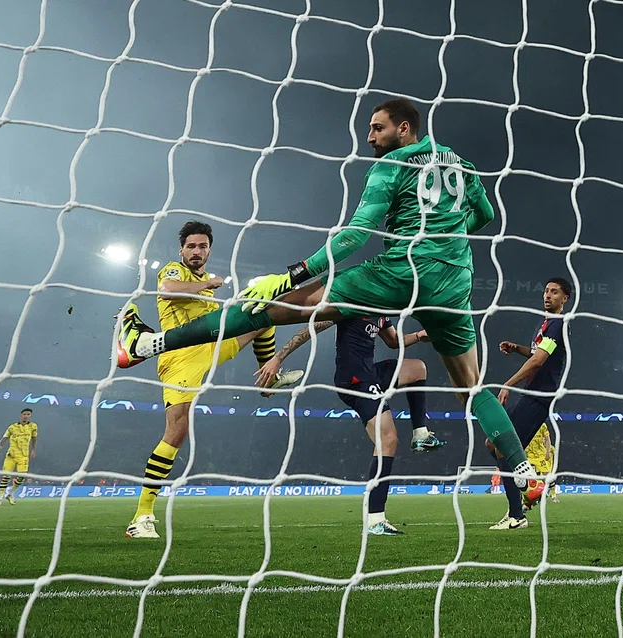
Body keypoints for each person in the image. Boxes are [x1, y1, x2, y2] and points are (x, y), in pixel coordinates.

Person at [116, 97, 543, 497]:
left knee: (285, 303)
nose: (370, 137)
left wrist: (291, 274)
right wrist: (444, 233)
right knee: (471, 387)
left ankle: (147, 344)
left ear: (405, 128)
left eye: (378, 129)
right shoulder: (461, 164)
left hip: (402, 271)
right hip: (455, 282)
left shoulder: (392, 166)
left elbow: (357, 235)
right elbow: (485, 216)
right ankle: (524, 471)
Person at [126, 221, 302, 538]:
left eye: (202, 246)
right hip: (180, 355)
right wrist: (213, 284)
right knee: (177, 431)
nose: (196, 251)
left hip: (213, 343)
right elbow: (168, 292)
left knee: (265, 313)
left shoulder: (206, 279)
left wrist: (212, 285)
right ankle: (142, 516)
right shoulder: (172, 272)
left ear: (209, 249)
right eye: (191, 246)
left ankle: (268, 379)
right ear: (182, 250)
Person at [255, 317, 443, 535]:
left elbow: (393, 341)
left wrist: (419, 336)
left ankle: (420, 434)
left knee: (418, 368)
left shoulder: (382, 311)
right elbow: (311, 328)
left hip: (370, 373)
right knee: (388, 440)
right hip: (354, 381)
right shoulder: (352, 304)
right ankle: (375, 519)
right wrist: (278, 358)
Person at [488, 278, 570, 530]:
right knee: (494, 443)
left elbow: (539, 361)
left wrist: (508, 384)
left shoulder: (557, 324)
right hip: (532, 393)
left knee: (501, 445)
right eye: (546, 290)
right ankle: (526, 490)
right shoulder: (545, 323)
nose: (547, 295)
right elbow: (536, 354)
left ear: (564, 299)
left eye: (554, 292)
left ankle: (518, 510)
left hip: (539, 396)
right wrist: (517, 348)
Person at [0, 408, 38, 505]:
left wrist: (34, 450)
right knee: (6, 476)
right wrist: (0, 446)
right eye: (24, 414)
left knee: (22, 477)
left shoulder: (33, 426)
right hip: (11, 455)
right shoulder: (12, 427)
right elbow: (4, 438)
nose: (26, 416)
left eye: (28, 414)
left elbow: (34, 438)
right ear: (21, 415)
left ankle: (10, 494)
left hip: (23, 456)